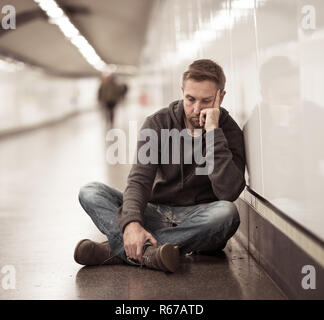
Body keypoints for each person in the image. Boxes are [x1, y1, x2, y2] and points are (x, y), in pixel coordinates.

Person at [76, 59, 246, 272]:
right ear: (182, 91)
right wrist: (132, 224)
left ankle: (117, 251)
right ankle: (148, 252)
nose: (196, 109)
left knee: (227, 214)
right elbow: (139, 180)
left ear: (220, 97)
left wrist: (213, 132)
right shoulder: (158, 123)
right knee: (90, 191)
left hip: (199, 217)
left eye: (206, 101)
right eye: (190, 99)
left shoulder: (229, 132)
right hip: (155, 211)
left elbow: (228, 192)